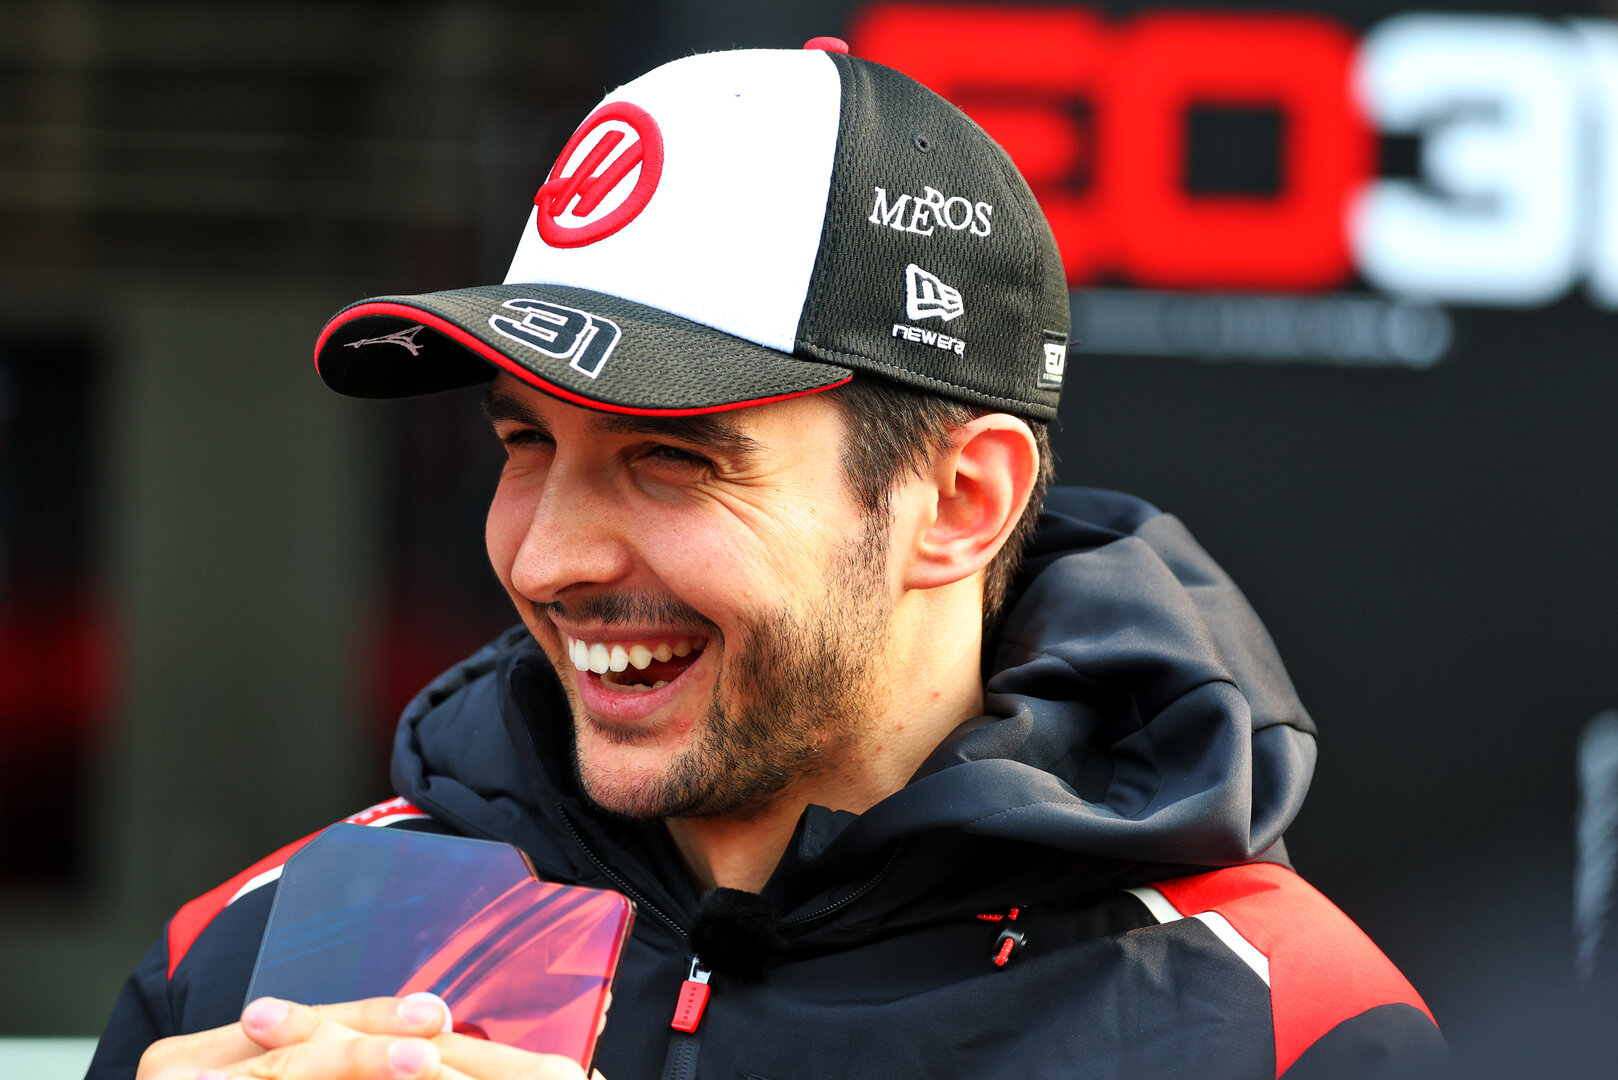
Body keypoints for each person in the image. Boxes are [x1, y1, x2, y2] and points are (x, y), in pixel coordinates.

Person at [90, 39, 1444, 1080]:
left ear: (957, 501)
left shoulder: (1280, 1024)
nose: (547, 557)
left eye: (670, 458)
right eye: (524, 442)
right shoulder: (259, 954)